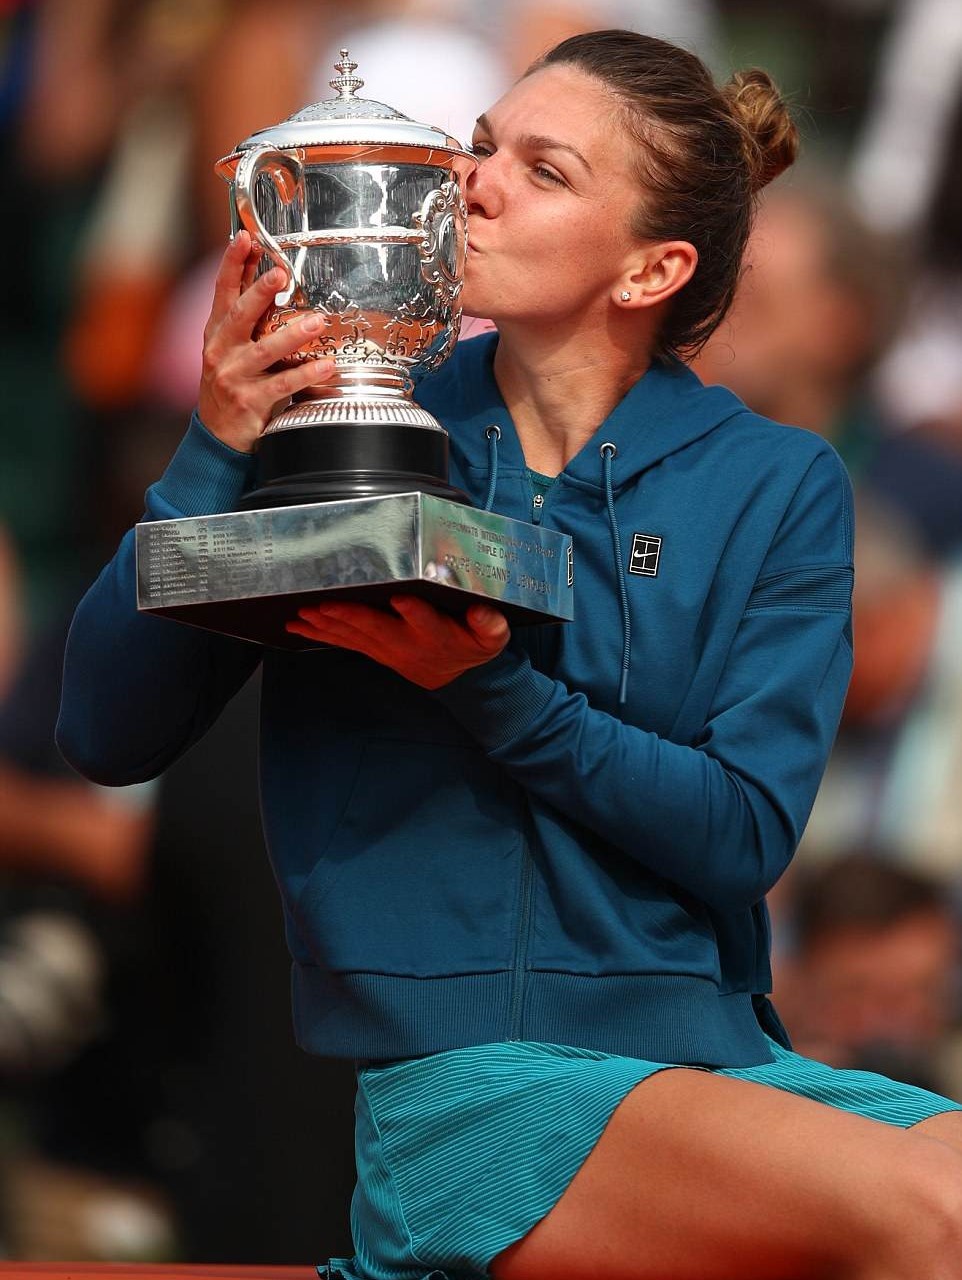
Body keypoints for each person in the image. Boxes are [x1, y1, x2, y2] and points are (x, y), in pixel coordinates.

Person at [57, 29, 962, 1280]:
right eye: (481, 148)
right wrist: (217, 441)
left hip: (714, 1063)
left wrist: (489, 690)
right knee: (938, 1213)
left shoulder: (776, 479)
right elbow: (105, 731)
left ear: (652, 266)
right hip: (468, 1093)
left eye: (542, 171)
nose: (470, 182)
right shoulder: (341, 421)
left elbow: (743, 831)